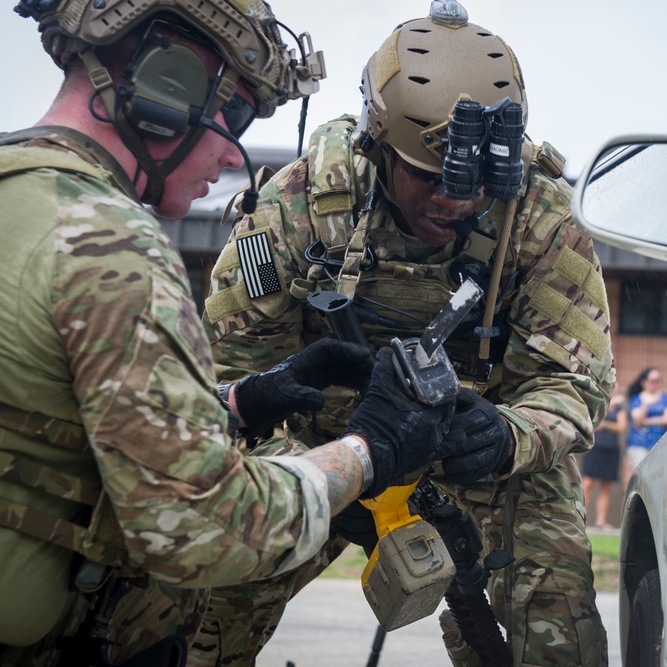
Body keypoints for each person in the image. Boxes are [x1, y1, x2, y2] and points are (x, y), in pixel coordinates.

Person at [0, 1, 467, 664]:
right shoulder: (109, 246)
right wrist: (369, 448)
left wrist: (242, 402)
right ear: (172, 85)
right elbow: (204, 528)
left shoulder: (20, 191)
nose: (229, 156)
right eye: (237, 115)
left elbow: (41, 420)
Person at [200, 2, 616, 664]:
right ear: (376, 146)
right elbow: (228, 377)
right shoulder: (301, 205)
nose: (455, 199)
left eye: (479, 182)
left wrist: (511, 434)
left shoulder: (538, 218)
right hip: (323, 446)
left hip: (480, 458)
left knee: (555, 619)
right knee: (202, 590)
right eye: (430, 175)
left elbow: (574, 382)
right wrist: (325, 466)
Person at [582, 392, 627, 530]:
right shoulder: (596, 402)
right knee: (588, 482)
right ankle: (579, 517)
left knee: (606, 486)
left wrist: (605, 424)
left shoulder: (620, 409)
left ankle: (600, 521)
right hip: (594, 447)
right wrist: (611, 404)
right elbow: (590, 419)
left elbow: (621, 427)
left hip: (611, 449)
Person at [625, 367, 667, 477]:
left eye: (658, 380)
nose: (656, 384)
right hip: (639, 444)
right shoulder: (636, 399)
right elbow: (638, 420)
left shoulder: (665, 398)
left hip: (659, 445)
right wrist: (645, 404)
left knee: (657, 476)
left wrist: (648, 421)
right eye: (653, 381)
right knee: (641, 476)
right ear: (644, 382)